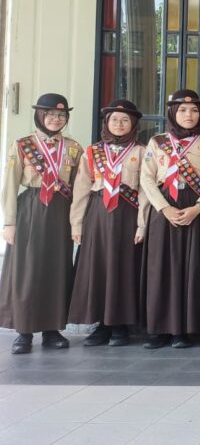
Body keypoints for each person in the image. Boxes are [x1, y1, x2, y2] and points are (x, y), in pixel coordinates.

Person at [0, 94, 82, 354]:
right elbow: (10, 184)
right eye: (50, 115)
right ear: (39, 116)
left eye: (61, 115)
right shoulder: (23, 145)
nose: (56, 119)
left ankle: (52, 329)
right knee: (26, 269)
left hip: (61, 209)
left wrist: (77, 221)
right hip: (31, 208)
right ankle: (23, 331)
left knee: (57, 268)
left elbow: (80, 187)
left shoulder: (73, 147)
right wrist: (9, 222)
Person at [139, 90, 200, 349]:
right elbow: (147, 178)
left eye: (194, 110)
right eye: (182, 110)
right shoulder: (157, 142)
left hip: (195, 208)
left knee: (191, 267)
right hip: (164, 208)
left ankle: (183, 329)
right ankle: (159, 328)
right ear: (172, 113)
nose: (188, 115)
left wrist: (199, 207)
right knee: (160, 267)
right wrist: (164, 208)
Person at [68, 100, 146, 348]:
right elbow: (81, 189)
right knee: (98, 267)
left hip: (128, 215)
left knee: (124, 267)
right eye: (114, 120)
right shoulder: (92, 152)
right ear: (106, 123)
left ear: (133, 124)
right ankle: (101, 324)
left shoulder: (142, 152)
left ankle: (121, 324)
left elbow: (145, 190)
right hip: (98, 216)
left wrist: (142, 224)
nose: (119, 124)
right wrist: (77, 224)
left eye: (125, 120)